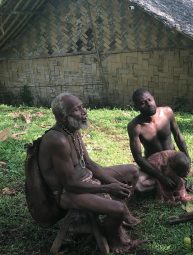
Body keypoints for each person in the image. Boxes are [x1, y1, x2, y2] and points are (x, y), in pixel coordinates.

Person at [38, 92, 144, 253]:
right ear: (62, 116)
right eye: (77, 109)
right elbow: (70, 184)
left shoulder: (72, 130)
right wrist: (107, 188)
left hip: (85, 177)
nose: (84, 112)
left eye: (82, 107)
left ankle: (117, 218)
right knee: (119, 209)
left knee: (132, 171)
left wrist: (113, 183)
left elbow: (89, 164)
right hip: (66, 193)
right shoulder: (57, 140)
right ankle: (114, 238)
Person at [127, 88, 191, 195]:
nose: (148, 104)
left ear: (153, 98)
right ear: (137, 107)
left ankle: (174, 180)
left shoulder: (167, 112)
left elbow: (178, 136)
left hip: (173, 159)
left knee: (183, 161)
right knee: (138, 186)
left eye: (149, 100)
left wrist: (187, 159)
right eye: (142, 103)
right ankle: (174, 182)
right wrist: (161, 177)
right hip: (153, 164)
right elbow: (138, 157)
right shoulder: (134, 126)